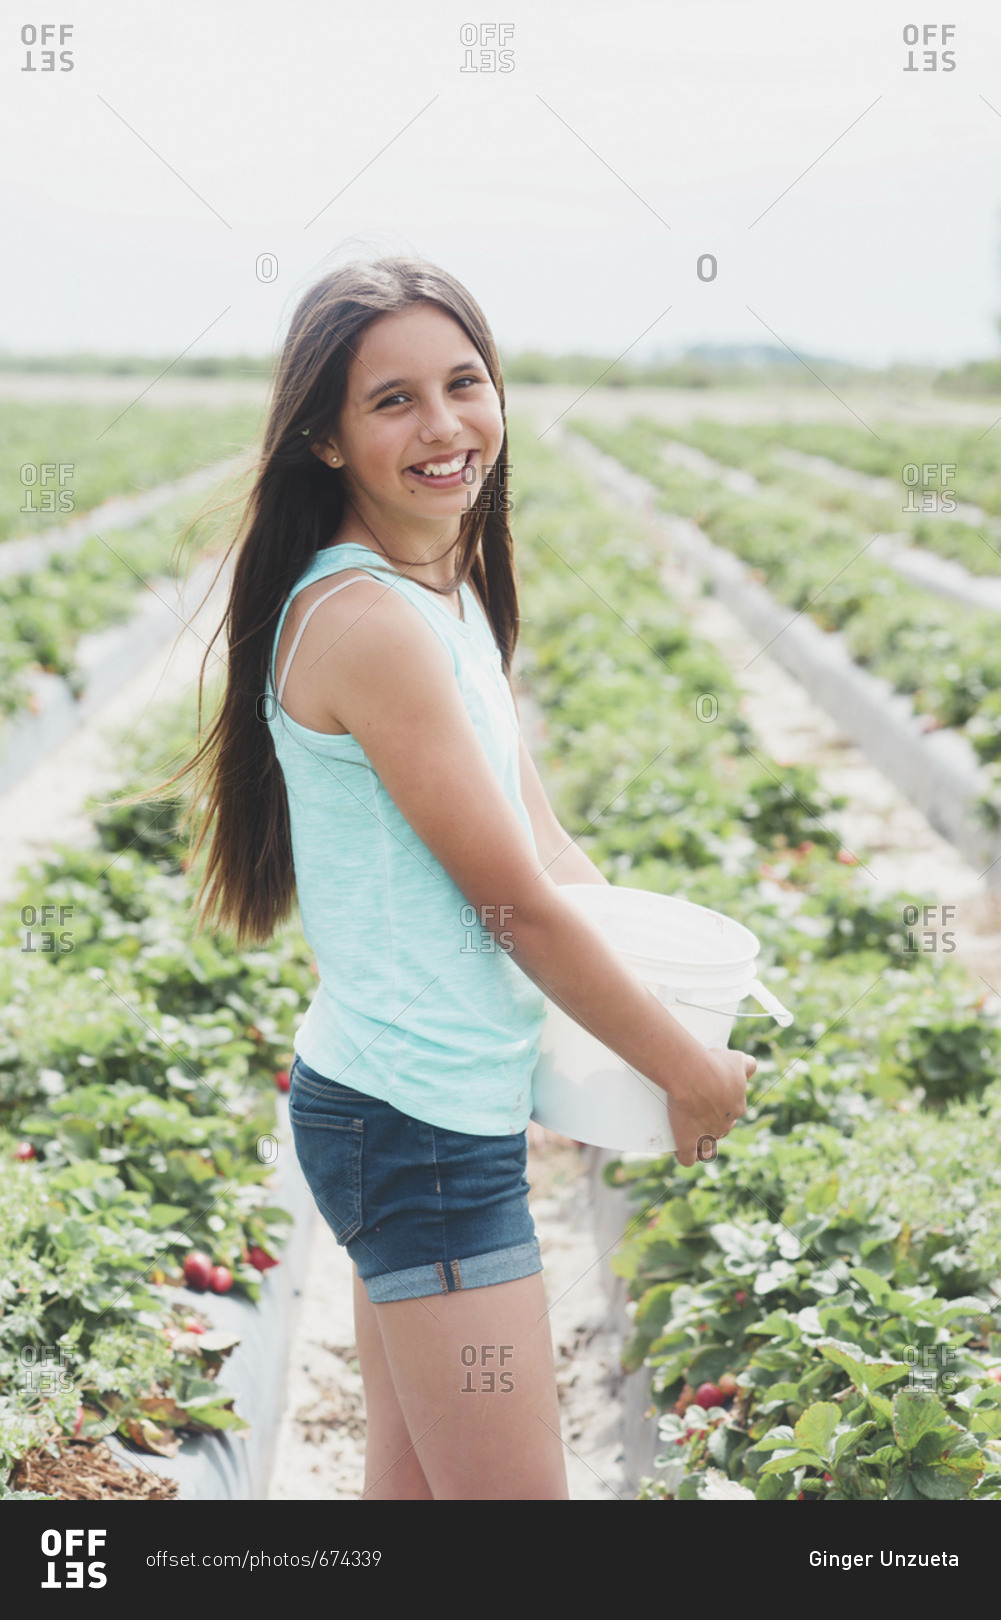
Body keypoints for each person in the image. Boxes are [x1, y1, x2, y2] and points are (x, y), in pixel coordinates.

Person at [169, 255, 755, 1500]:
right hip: (414, 1131)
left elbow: (544, 851)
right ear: (324, 436)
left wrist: (668, 991)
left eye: (463, 384)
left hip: (408, 1109)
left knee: (421, 1501)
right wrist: (681, 1064)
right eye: (392, 402)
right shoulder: (369, 624)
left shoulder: (443, 596)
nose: (443, 428)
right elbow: (514, 907)